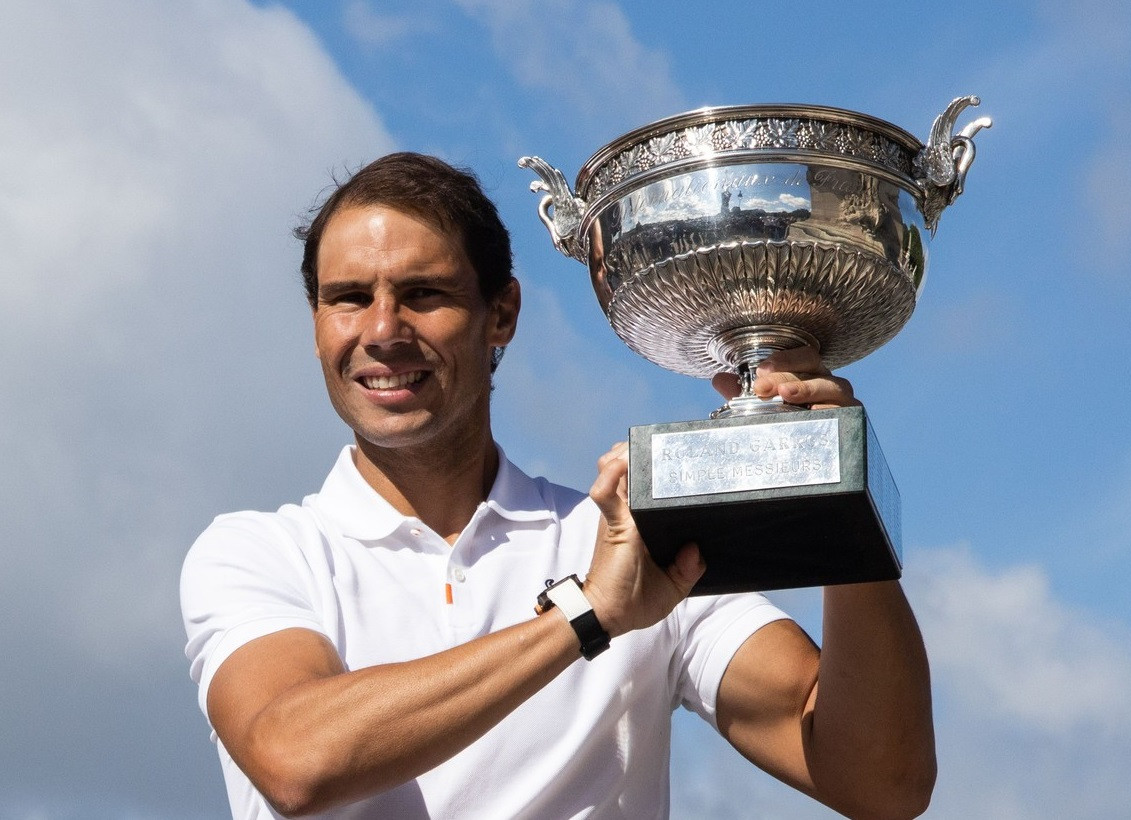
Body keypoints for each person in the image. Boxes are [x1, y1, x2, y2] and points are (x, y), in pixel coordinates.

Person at [181, 152, 936, 820]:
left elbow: (883, 784)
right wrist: (585, 616)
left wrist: (839, 485)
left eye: (423, 294)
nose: (382, 330)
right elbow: (296, 761)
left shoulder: (634, 542)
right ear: (316, 321)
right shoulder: (259, 553)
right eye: (348, 297)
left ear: (500, 313)